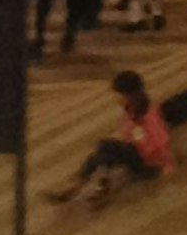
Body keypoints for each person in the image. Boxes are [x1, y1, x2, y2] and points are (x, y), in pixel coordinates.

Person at [56, 63, 175, 212]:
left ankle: (87, 186)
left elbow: (161, 141)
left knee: (106, 147)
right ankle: (85, 186)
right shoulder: (131, 110)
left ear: (131, 94)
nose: (119, 99)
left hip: (146, 162)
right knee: (99, 156)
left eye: (121, 94)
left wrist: (166, 165)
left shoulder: (148, 114)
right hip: (134, 153)